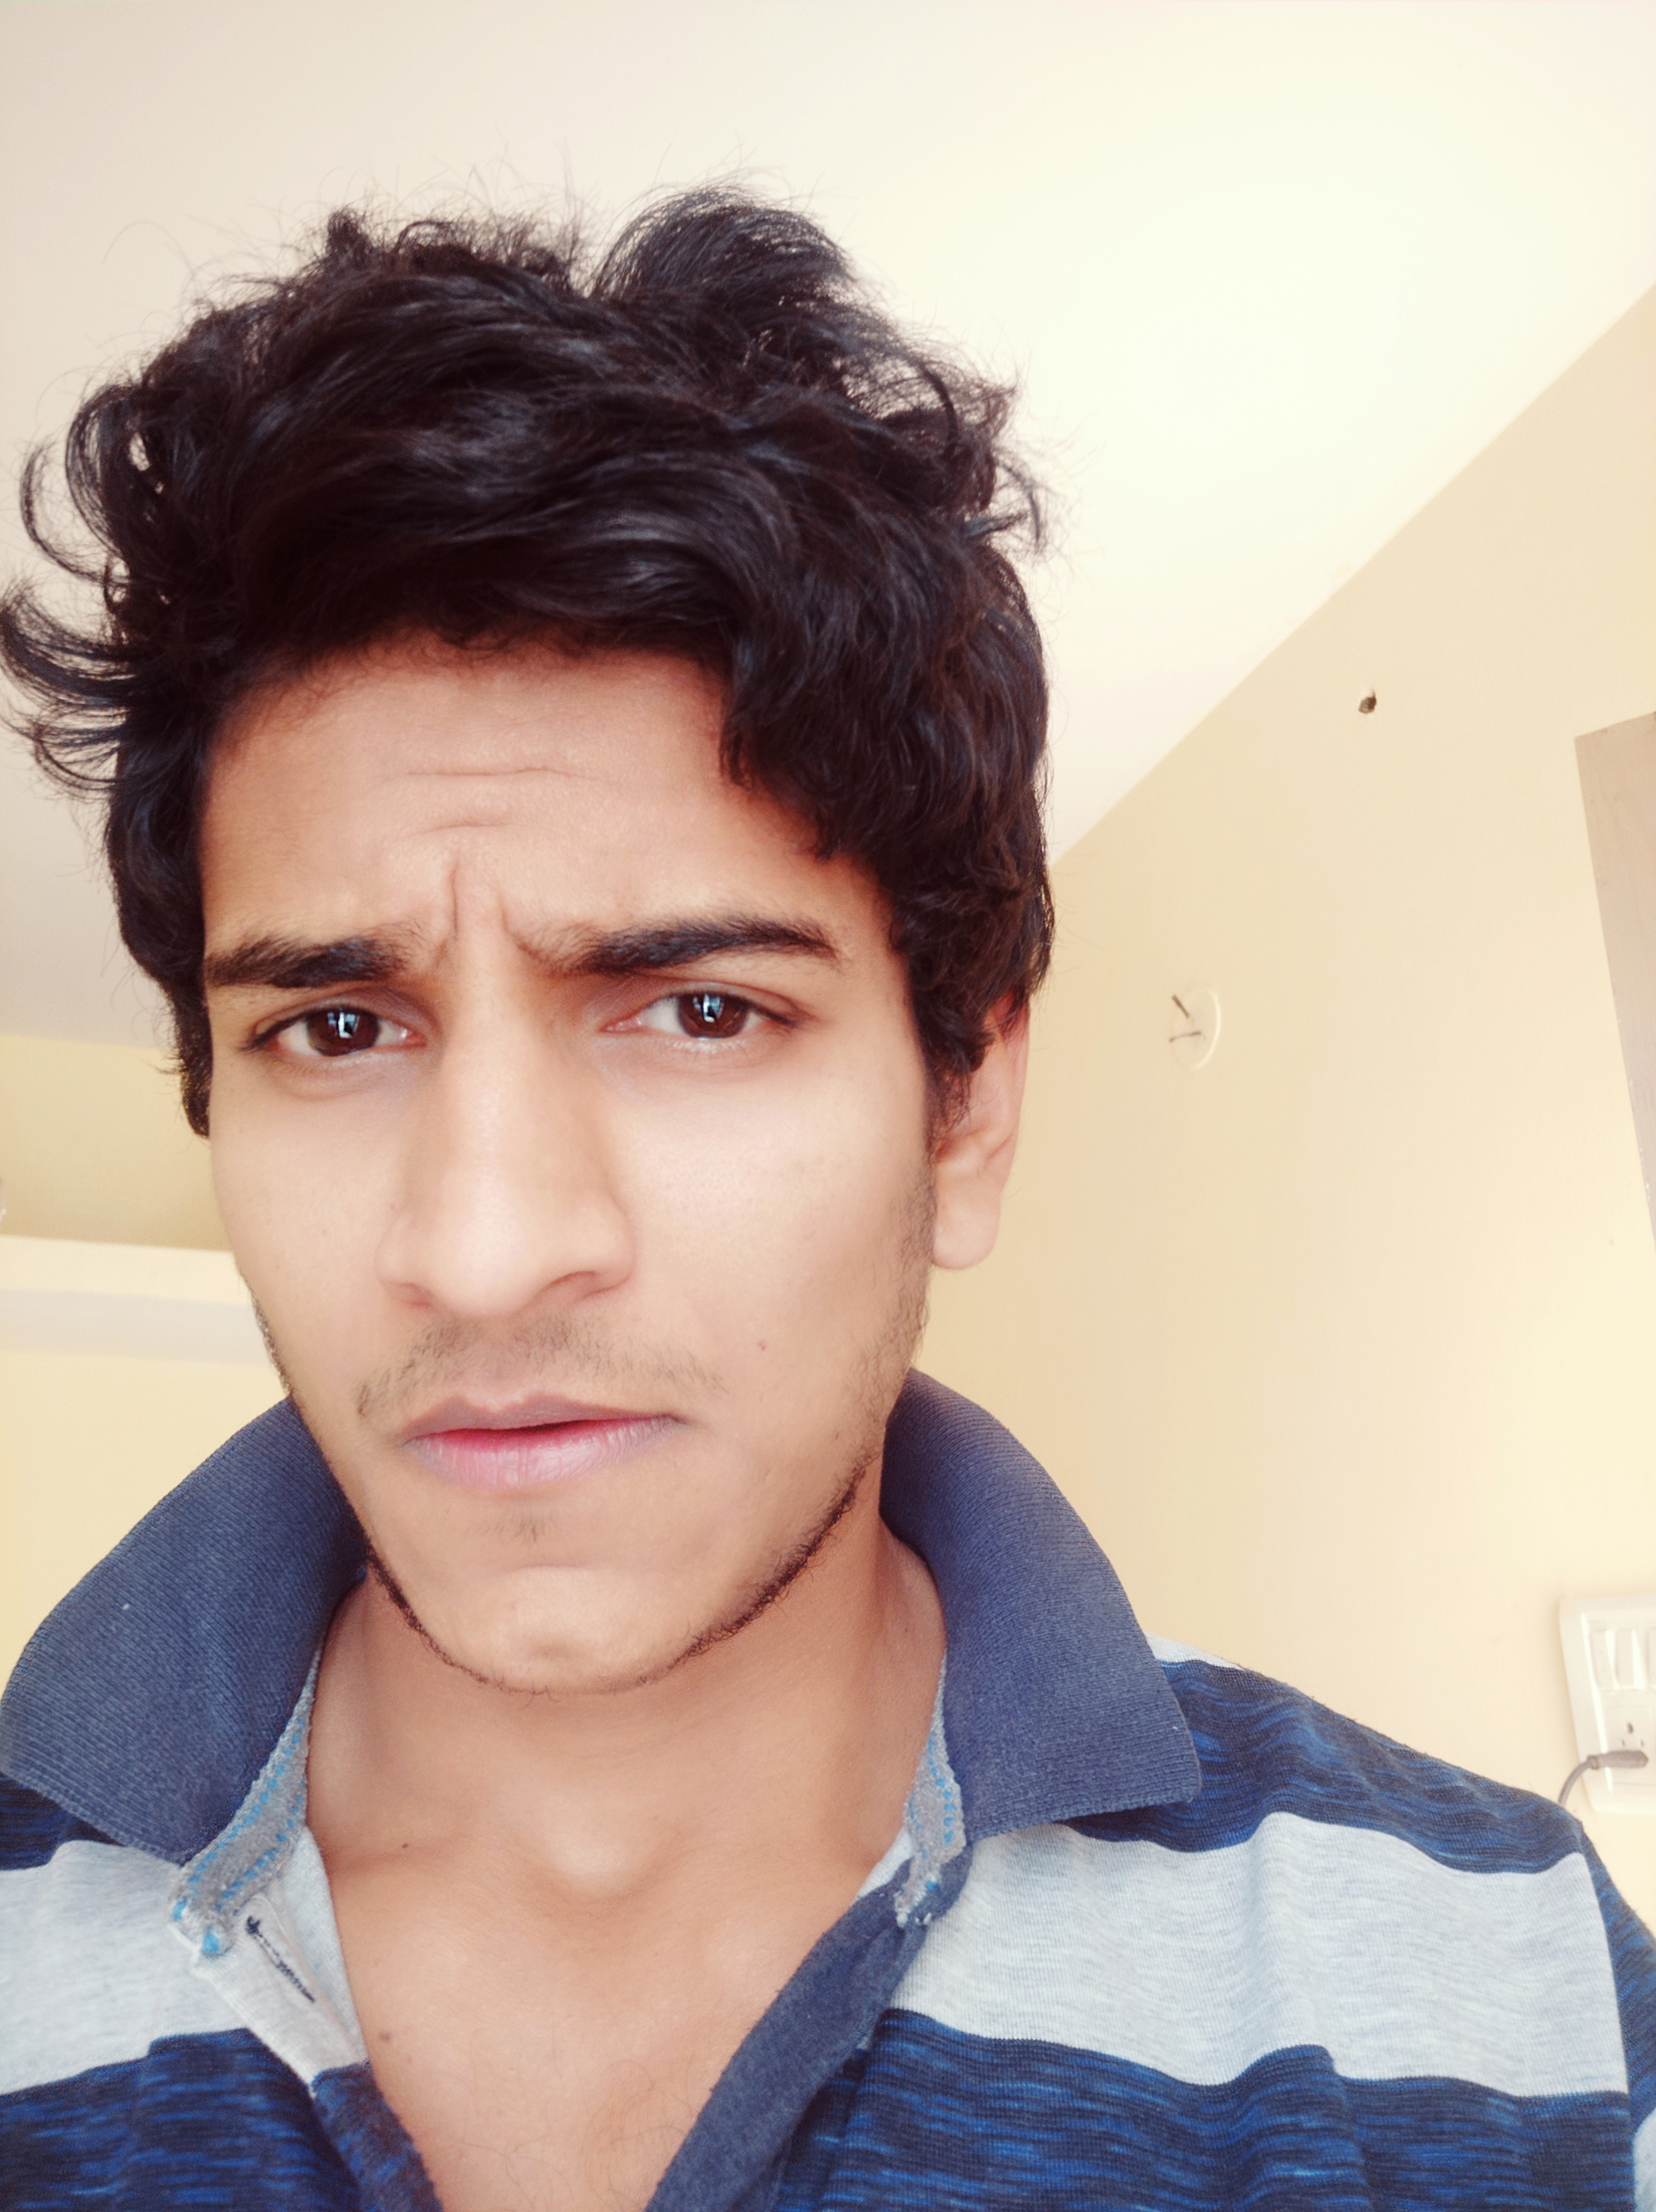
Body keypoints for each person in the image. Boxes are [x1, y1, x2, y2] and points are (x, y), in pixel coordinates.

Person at [0, 192, 1649, 2212]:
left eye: (701, 1011)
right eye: (337, 1029)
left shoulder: (1517, 1994)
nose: (485, 1248)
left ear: (964, 1108)